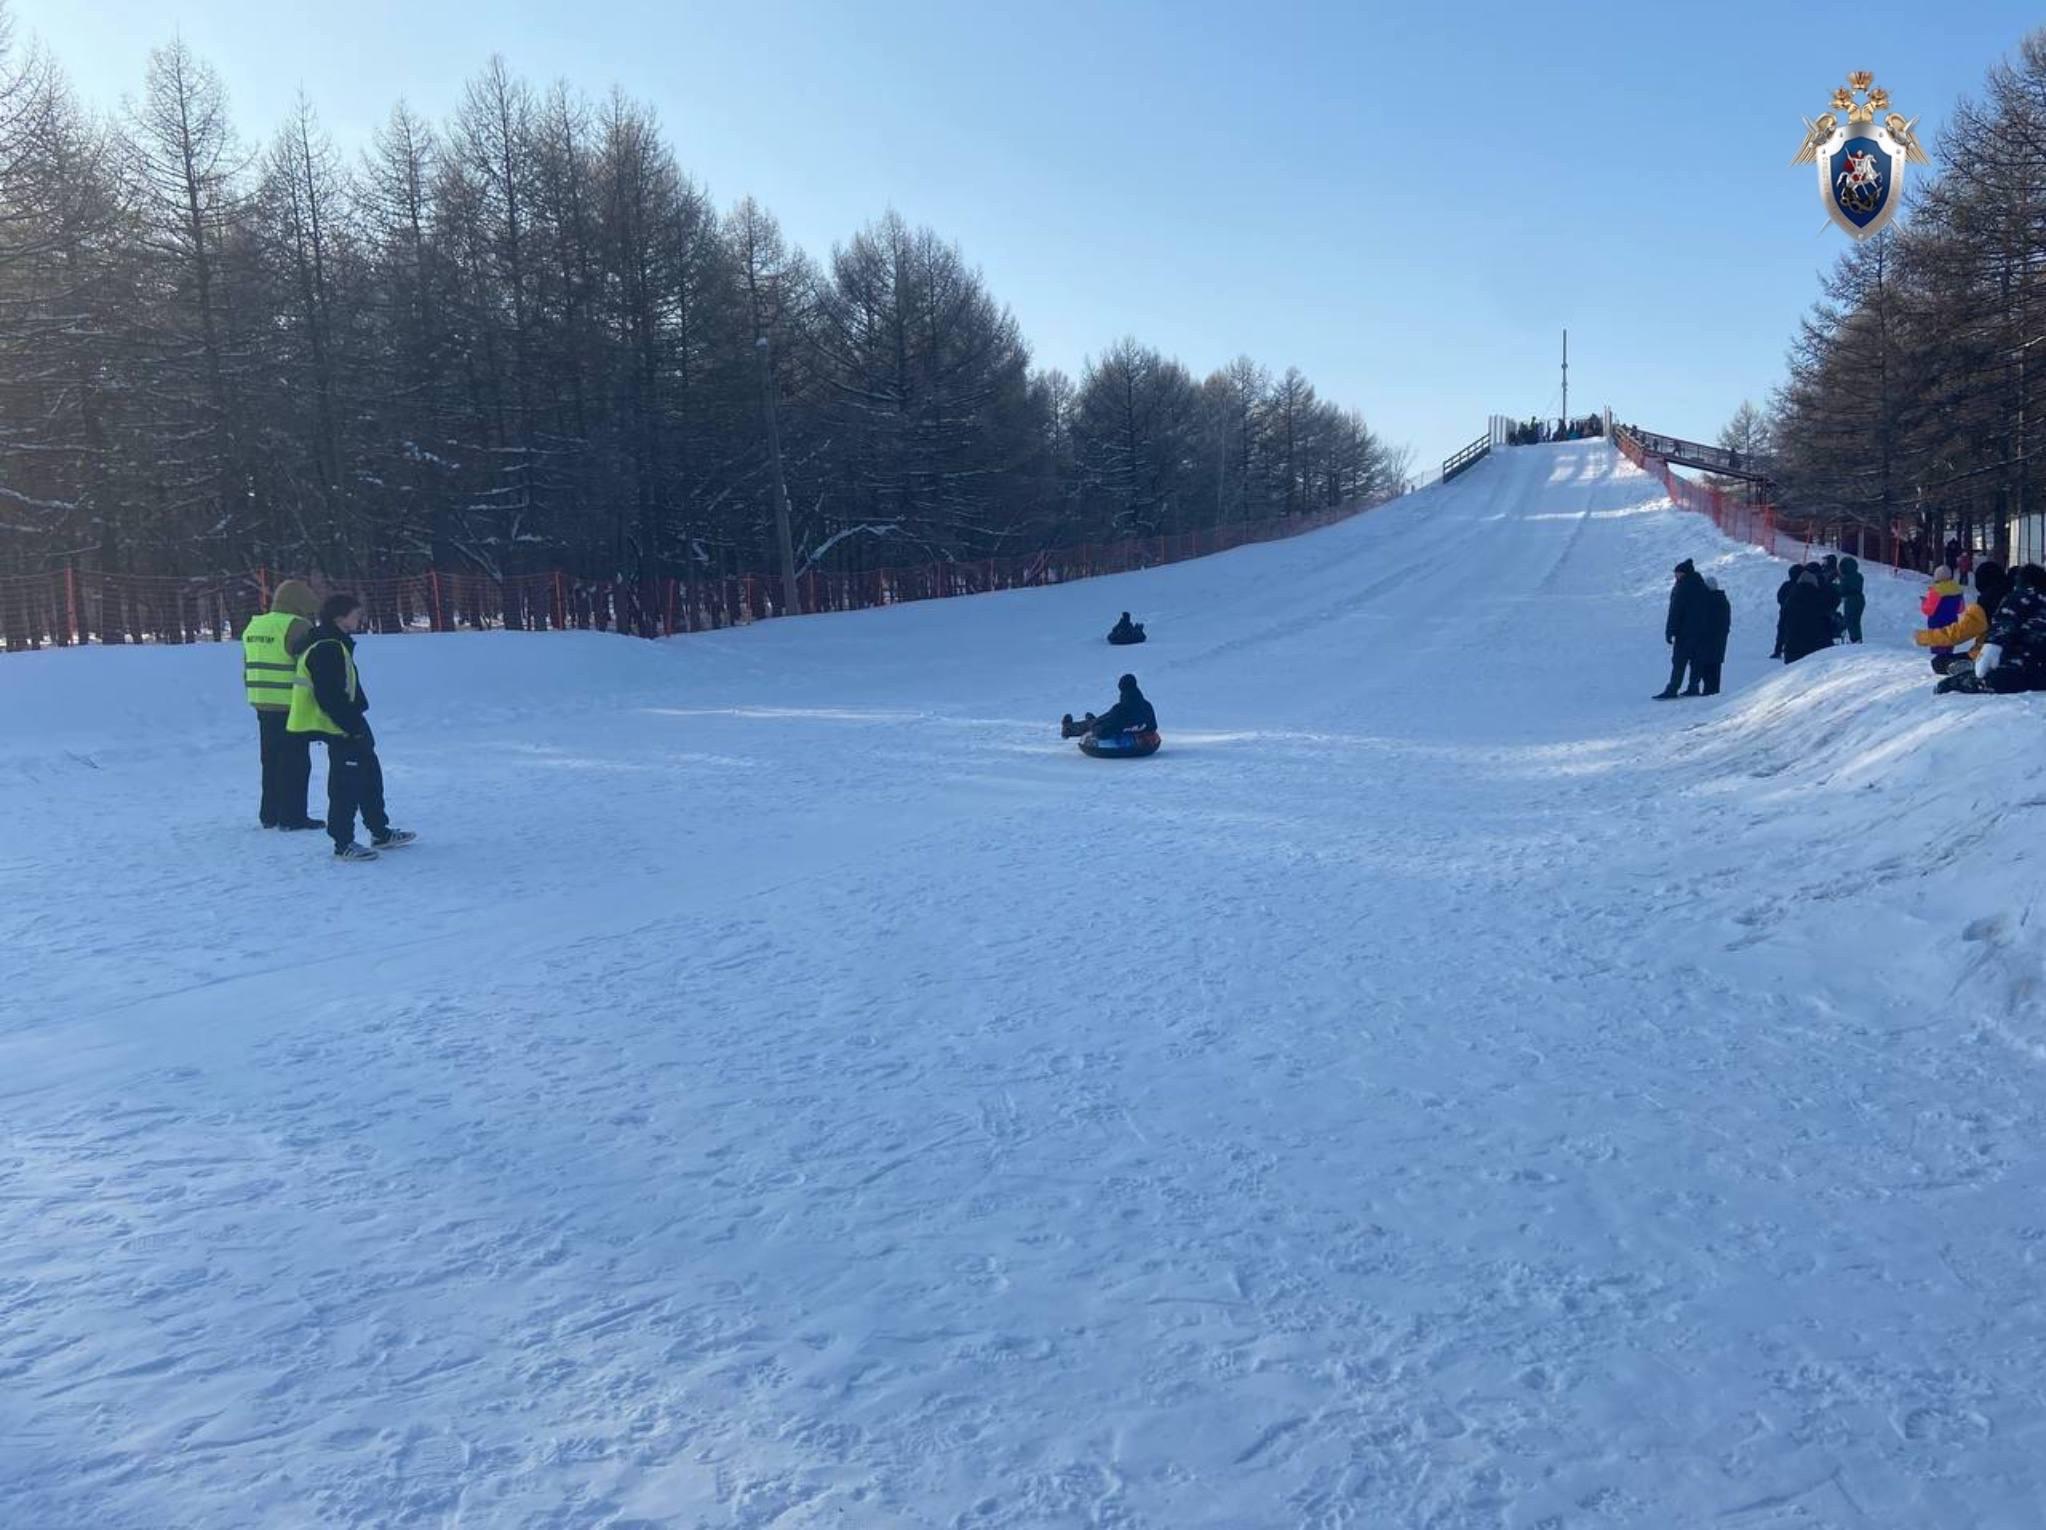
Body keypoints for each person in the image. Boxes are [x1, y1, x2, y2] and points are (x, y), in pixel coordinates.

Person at [287, 593, 416, 862]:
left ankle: (379, 831)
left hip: (350, 721)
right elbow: (329, 695)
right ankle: (343, 842)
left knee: (370, 775)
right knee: (345, 785)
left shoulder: (335, 643)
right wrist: (350, 725)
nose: (360, 619)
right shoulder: (327, 648)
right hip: (340, 726)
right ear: (340, 618)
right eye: (356, 615)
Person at [241, 579, 324, 830]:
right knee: (295, 763)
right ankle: (293, 817)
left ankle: (270, 814)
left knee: (270, 761)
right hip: (290, 703)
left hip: (262, 701)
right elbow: (310, 664)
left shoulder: (255, 624)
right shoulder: (297, 625)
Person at [1939, 564, 2046, 694]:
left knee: (2000, 678)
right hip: (2036, 666)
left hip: (2016, 662)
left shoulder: (2019, 597)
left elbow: (2001, 629)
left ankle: (1963, 677)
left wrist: (1989, 651)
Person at [1915, 561, 2008, 676]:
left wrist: (1922, 636)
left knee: (1938, 662)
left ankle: (1974, 666)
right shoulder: (2015, 596)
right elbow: (1960, 608)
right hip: (2015, 654)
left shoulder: (1985, 604)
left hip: (1988, 654)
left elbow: (1958, 633)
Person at [1655, 558, 1711, 699]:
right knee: (1696, 660)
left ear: (1684, 573)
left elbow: (1675, 611)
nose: (1676, 576)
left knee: (1679, 661)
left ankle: (1673, 688)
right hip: (1701, 631)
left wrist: (1670, 631)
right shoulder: (1701, 585)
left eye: (1677, 573)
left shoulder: (1682, 587)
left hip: (1684, 632)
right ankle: (1693, 686)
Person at [1062, 673, 1157, 740]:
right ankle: (1094, 720)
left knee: (1092, 725)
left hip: (1113, 731)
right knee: (1100, 721)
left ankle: (1068, 729)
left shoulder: (1120, 710)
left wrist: (1095, 726)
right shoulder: (1147, 706)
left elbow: (1102, 733)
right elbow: (1153, 727)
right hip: (1135, 735)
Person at [1780, 568, 1835, 664]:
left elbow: (1782, 625)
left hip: (1793, 648)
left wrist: (1779, 646)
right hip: (1818, 647)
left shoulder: (1790, 601)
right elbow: (1829, 620)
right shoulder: (1820, 599)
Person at [1688, 578, 1731, 696]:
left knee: (1706, 667)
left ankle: (1709, 691)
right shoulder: (1722, 600)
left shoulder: (1708, 601)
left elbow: (1703, 621)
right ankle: (1713, 690)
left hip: (1707, 641)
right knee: (1715, 667)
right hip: (1719, 641)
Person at [1920, 566, 1966, 668]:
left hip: (1937, 623)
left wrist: (1924, 602)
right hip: (1952, 622)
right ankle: (1949, 663)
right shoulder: (1957, 589)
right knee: (1948, 645)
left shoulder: (1935, 590)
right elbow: (1961, 609)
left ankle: (1941, 666)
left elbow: (1928, 610)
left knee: (1939, 648)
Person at [1770, 565, 1800, 659]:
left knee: (1782, 631)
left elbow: (1779, 597)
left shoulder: (1787, 585)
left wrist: (1784, 604)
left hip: (1785, 612)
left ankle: (1778, 650)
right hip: (1795, 613)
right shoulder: (1800, 586)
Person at [1838, 555, 1866, 644]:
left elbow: (1842, 589)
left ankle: (1854, 639)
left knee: (1850, 620)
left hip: (1850, 600)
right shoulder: (1859, 576)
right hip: (1860, 599)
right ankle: (1858, 638)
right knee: (1856, 620)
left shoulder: (1846, 578)